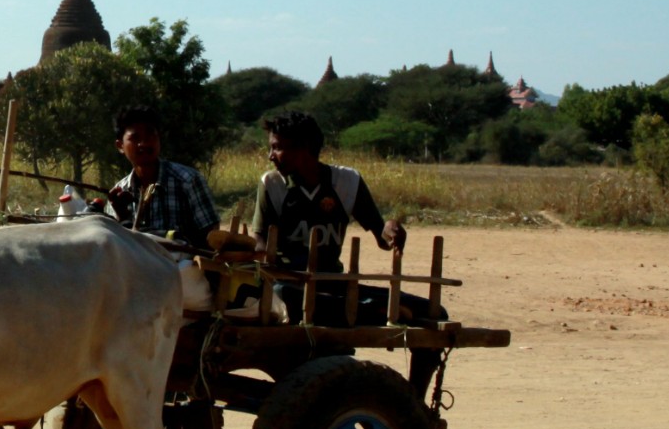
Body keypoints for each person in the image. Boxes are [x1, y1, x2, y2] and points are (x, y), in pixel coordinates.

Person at [254, 110, 442, 390]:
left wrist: (390, 229)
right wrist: (259, 257)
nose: (271, 155)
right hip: (291, 284)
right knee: (284, 297)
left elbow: (380, 233)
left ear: (304, 148)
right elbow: (260, 242)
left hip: (335, 286)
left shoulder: (346, 182)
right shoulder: (272, 185)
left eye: (277, 147)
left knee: (436, 314)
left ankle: (415, 402)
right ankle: (375, 311)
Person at [107, 105, 219, 251]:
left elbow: (212, 238)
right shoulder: (117, 196)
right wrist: (122, 218)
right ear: (120, 146)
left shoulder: (188, 181)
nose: (144, 143)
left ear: (159, 138)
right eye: (135, 138)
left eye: (150, 135)